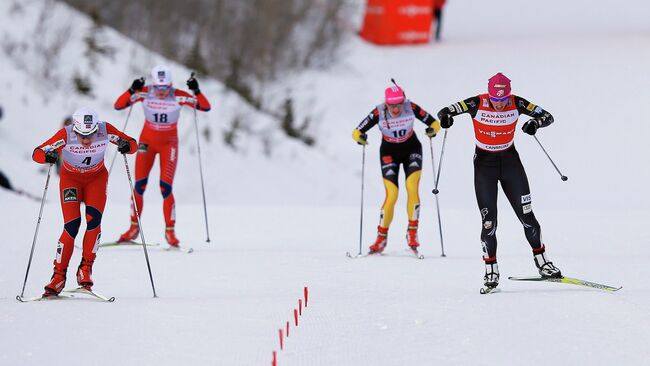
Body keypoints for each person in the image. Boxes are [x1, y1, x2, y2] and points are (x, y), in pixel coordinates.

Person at [437, 72, 562, 290]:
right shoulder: (477, 102)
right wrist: (445, 118)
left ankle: (542, 263)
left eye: (504, 100)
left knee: (527, 215)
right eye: (496, 100)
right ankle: (491, 270)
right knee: (489, 223)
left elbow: (548, 116)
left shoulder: (517, 102)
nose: (500, 104)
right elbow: (445, 111)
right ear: (490, 95)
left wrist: (535, 123)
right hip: (485, 166)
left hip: (510, 163)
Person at [32, 107, 137, 297]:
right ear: (75, 129)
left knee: (94, 221)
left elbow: (132, 142)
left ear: (97, 129)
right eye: (81, 135)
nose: (86, 140)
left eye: (91, 135)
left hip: (96, 179)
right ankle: (58, 276)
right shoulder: (66, 134)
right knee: (72, 225)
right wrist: (47, 156)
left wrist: (126, 146)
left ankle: (85, 269)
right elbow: (37, 152)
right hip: (70, 180)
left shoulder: (105, 130)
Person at [114, 65, 211, 247]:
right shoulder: (144, 92)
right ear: (153, 84)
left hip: (169, 145)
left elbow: (205, 107)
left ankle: (170, 232)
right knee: (139, 185)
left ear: (171, 84)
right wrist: (131, 89)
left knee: (165, 187)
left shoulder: (178, 95)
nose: (161, 92)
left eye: (165, 88)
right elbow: (119, 105)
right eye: (158, 87)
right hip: (146, 143)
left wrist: (196, 90)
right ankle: (133, 229)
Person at [352, 85, 441, 254]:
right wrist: (361, 137)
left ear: (403, 101)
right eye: (391, 105)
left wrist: (431, 130)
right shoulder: (379, 112)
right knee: (392, 195)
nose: (395, 108)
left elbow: (435, 123)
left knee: (412, 187)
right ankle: (381, 237)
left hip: (412, 150)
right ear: (386, 104)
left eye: (399, 104)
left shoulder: (411, 107)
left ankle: (412, 233)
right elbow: (356, 132)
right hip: (389, 153)